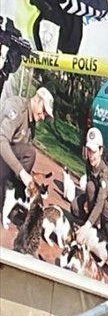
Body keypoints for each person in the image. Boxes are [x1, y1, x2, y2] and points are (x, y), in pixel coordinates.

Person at [0, 87, 54, 227]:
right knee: (29, 154)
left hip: (6, 159)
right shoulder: (17, 108)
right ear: (37, 100)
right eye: (43, 111)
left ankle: (10, 199)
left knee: (28, 154)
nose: (43, 117)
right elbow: (1, 140)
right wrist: (22, 172)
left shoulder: (31, 123)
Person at [70, 126, 108, 247]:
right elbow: (89, 183)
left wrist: (86, 227)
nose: (91, 156)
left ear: (101, 151)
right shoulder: (89, 163)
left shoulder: (104, 173)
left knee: (102, 206)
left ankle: (98, 227)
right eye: (89, 151)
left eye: (94, 152)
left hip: (106, 205)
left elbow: (100, 202)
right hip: (95, 199)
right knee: (75, 206)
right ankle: (93, 222)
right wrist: (87, 200)